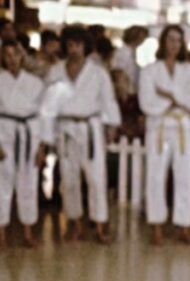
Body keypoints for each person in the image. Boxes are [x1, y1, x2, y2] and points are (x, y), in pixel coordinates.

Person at [40, 24, 121, 244]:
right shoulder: (56, 71)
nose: (74, 49)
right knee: (69, 179)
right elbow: (47, 108)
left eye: (78, 45)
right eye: (70, 45)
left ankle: (101, 225)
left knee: (96, 179)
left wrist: (111, 127)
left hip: (90, 127)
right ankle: (75, 224)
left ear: (86, 47)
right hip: (66, 128)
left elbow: (108, 101)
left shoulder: (98, 72)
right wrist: (45, 141)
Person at [138, 24, 190, 246]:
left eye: (178, 40)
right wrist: (177, 100)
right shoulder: (149, 71)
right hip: (159, 127)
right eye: (170, 39)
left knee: (185, 177)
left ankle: (184, 226)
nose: (174, 44)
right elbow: (146, 103)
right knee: (156, 176)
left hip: (182, 128)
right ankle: (156, 226)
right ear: (163, 42)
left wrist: (168, 94)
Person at [0, 40, 46, 249]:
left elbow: (45, 115)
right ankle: (1, 234)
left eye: (15, 54)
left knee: (29, 185)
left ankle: (27, 233)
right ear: (2, 58)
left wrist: (42, 147)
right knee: (1, 184)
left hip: (29, 136)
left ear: (22, 56)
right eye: (7, 55)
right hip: (4, 134)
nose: (12, 59)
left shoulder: (36, 83)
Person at [111, 25, 146, 95]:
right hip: (125, 91)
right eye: (142, 37)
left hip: (133, 89)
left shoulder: (133, 51)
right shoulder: (123, 52)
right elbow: (118, 73)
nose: (143, 40)